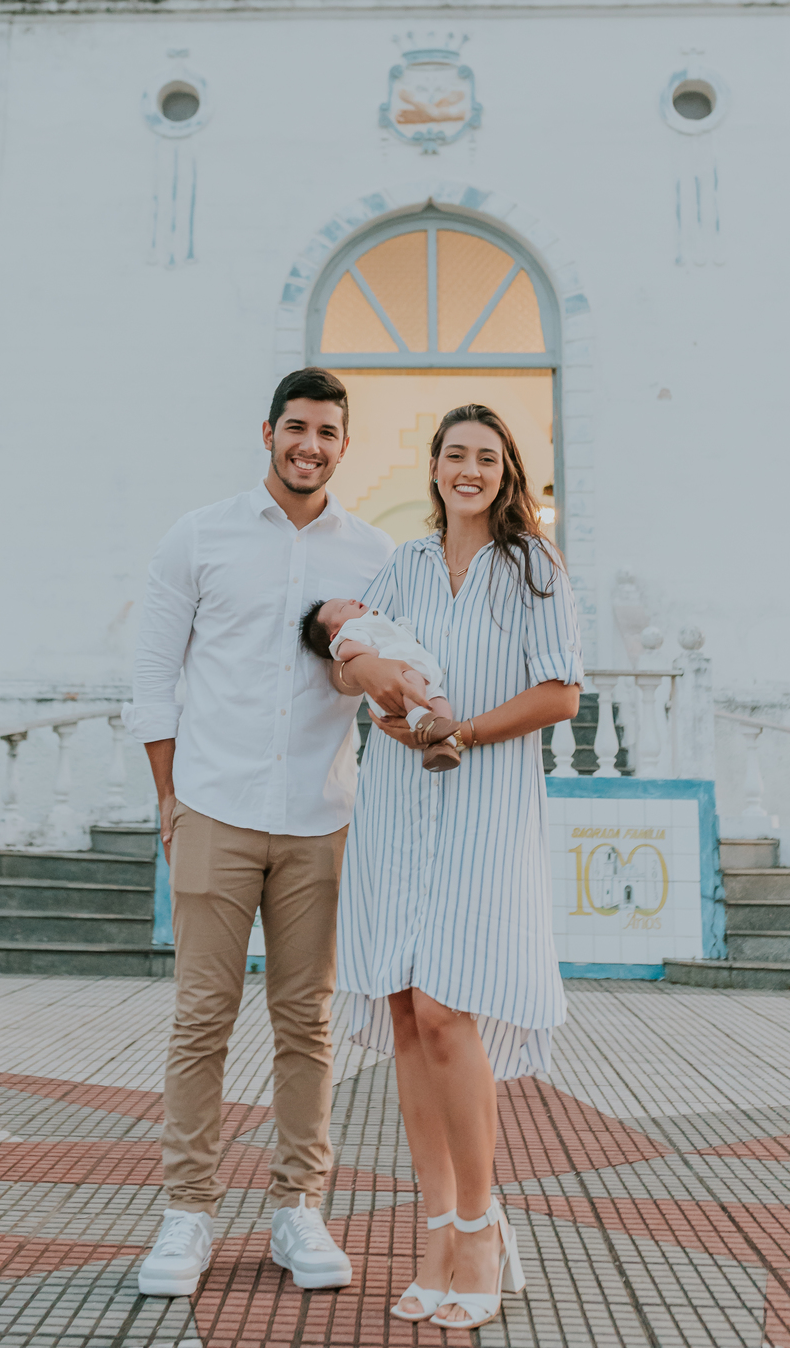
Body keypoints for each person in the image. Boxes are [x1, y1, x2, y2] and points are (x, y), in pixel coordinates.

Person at [131, 368, 398, 1297]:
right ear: (267, 432)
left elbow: (387, 678)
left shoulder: (375, 556)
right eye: (296, 427)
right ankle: (186, 1213)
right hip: (213, 807)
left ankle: (298, 1210)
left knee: (306, 1025)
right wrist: (168, 800)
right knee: (201, 1019)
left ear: (343, 446)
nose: (309, 445)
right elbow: (153, 675)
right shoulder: (198, 537)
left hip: (320, 818)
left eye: (326, 432)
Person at [334, 403, 583, 1333]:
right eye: (453, 455)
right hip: (399, 805)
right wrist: (386, 704)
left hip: (485, 809)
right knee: (404, 1008)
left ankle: (479, 1225)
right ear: (432, 466)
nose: (467, 470)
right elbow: (360, 668)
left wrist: (464, 731)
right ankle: (435, 1228)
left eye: (485, 456)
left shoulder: (533, 568)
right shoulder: (397, 565)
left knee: (449, 1008)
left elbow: (562, 689)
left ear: (505, 468)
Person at [299, 598, 461, 770]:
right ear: (335, 633)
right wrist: (372, 653)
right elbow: (345, 651)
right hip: (399, 679)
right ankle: (420, 719)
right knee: (414, 681)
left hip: (420, 675)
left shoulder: (374, 620)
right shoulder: (353, 630)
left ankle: (443, 744)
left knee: (438, 699)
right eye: (342, 607)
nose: (352, 601)